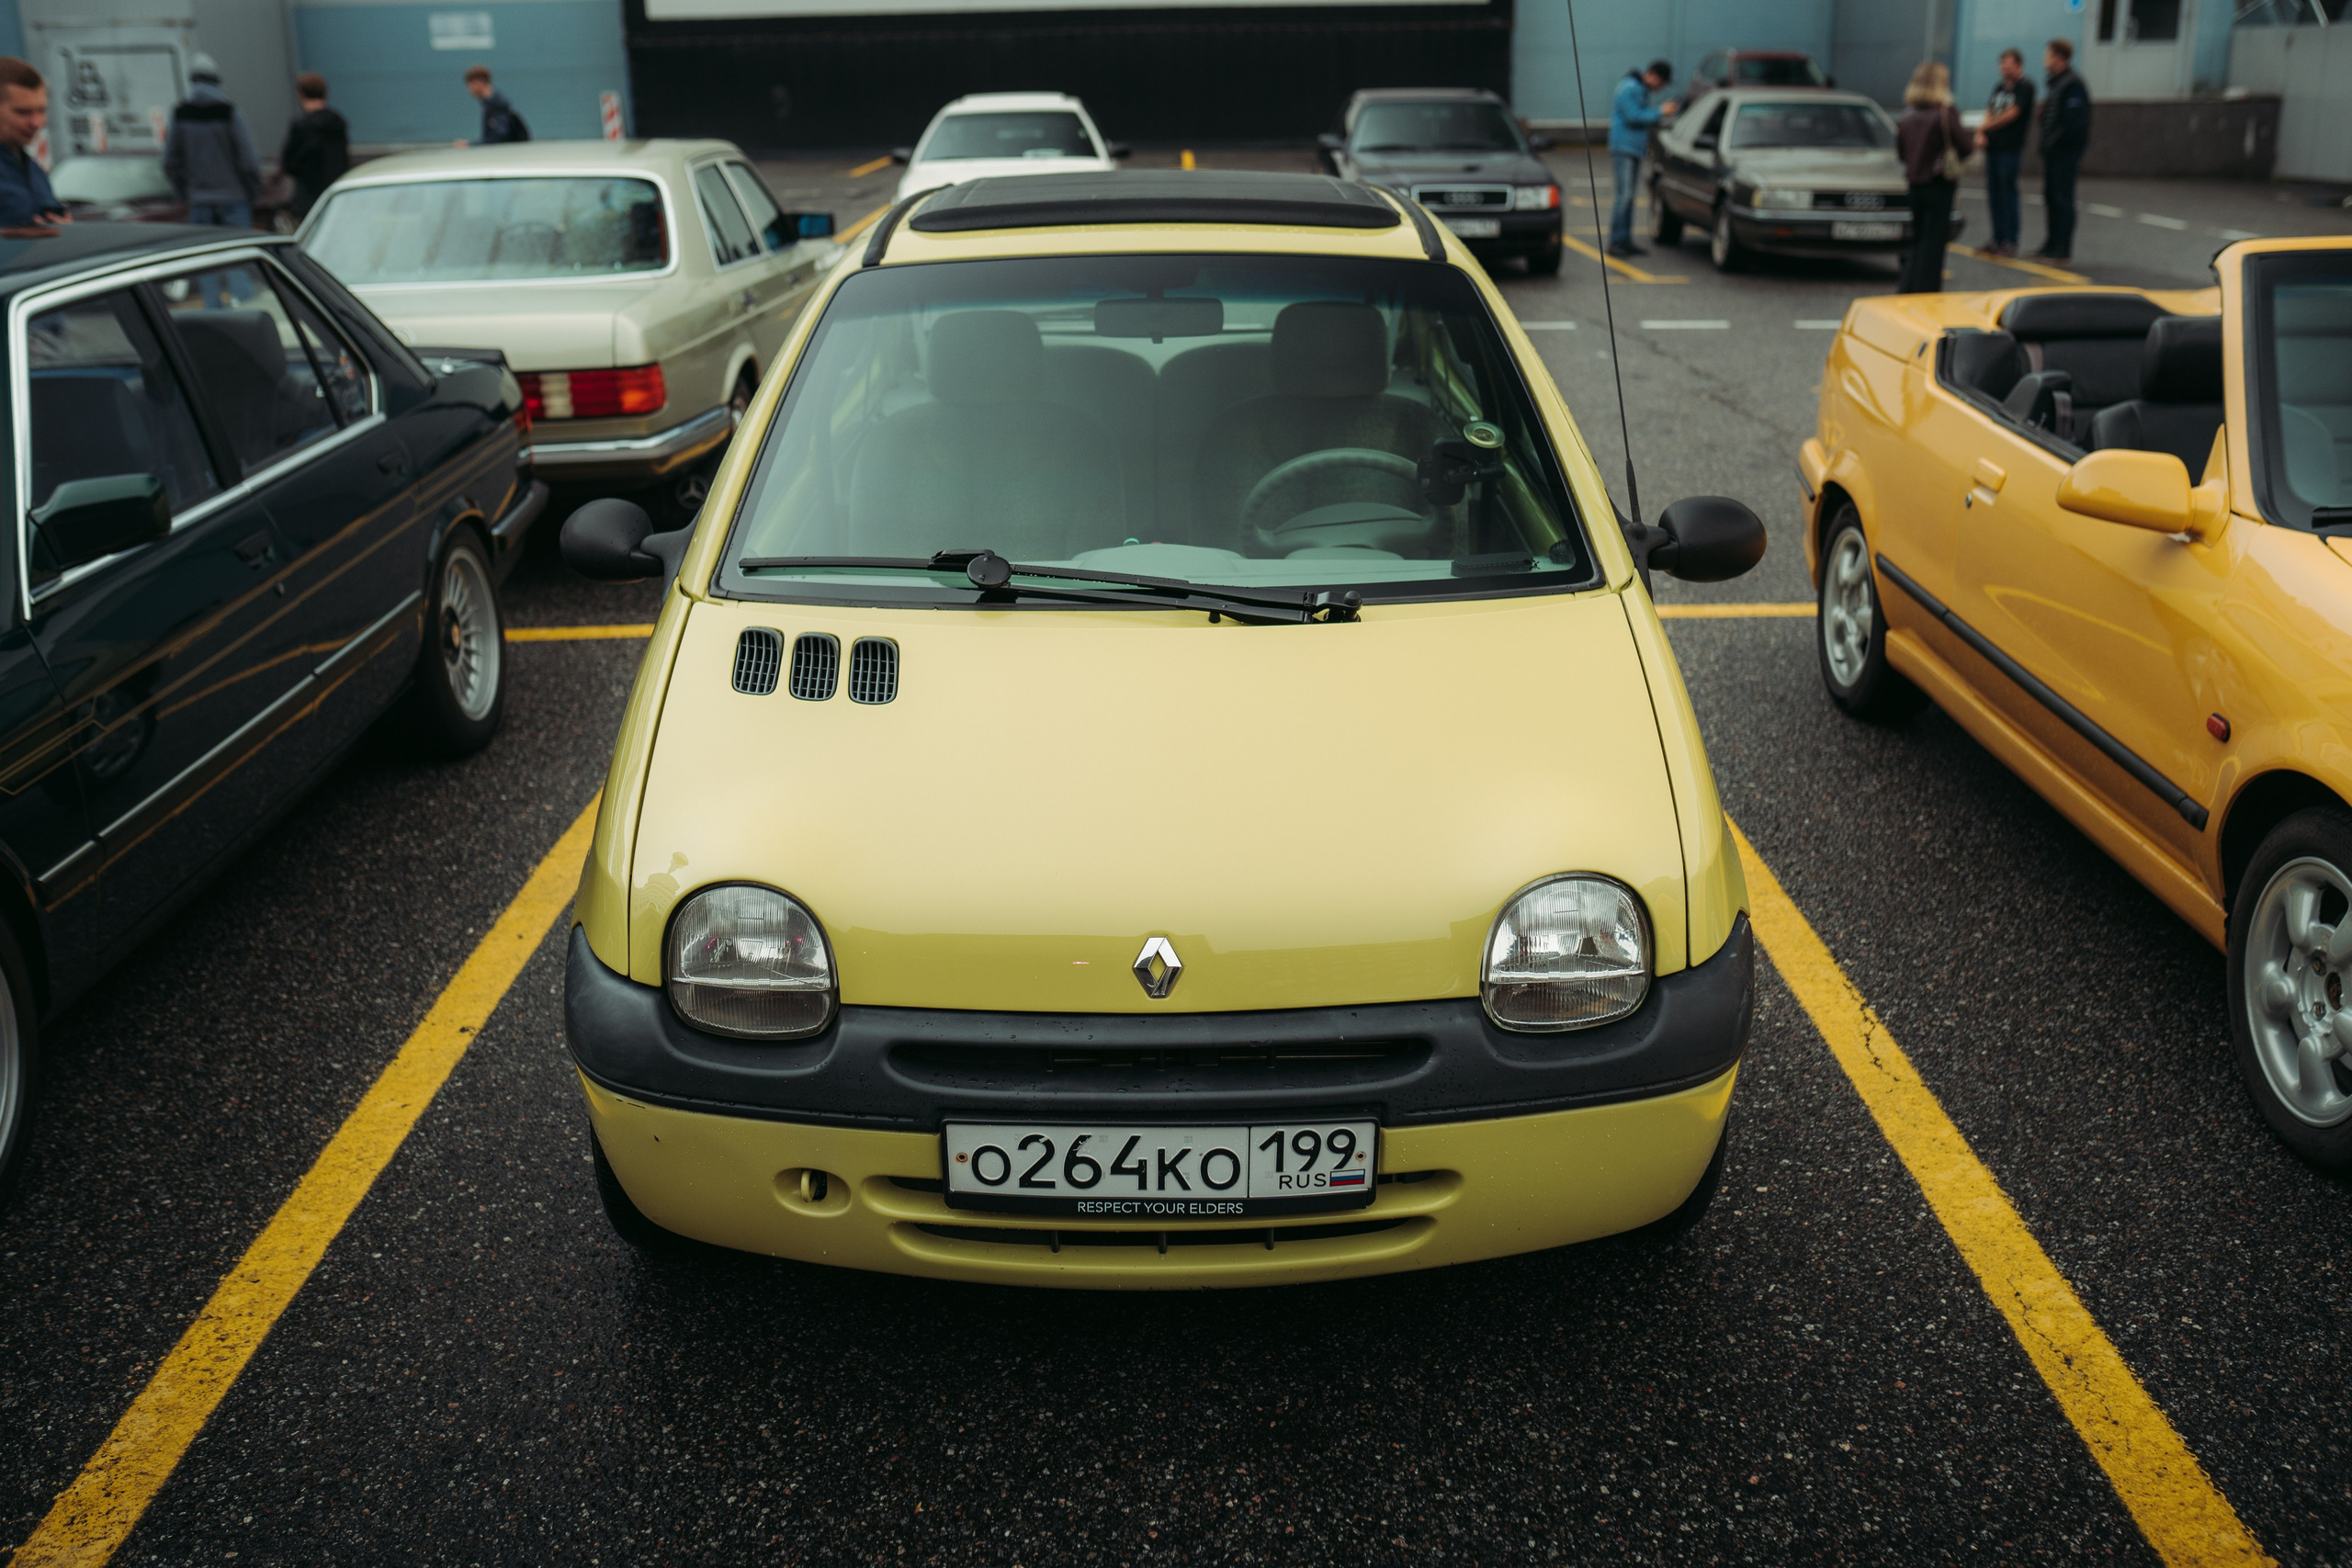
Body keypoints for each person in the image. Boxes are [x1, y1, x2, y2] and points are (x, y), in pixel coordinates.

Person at [1894, 61, 1973, 295]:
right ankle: (1926, 294)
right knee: (1934, 244)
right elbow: (1966, 147)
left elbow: (1901, 152)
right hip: (1939, 184)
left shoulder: (1907, 114)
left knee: (1918, 241)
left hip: (1915, 184)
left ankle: (1907, 290)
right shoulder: (1944, 112)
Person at [163, 52, 263, 230]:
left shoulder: (180, 114)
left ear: (192, 80)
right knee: (238, 253)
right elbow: (247, 159)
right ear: (216, 79)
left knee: (206, 254)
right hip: (234, 200)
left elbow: (170, 162)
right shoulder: (229, 111)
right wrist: (253, 191)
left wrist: (185, 192)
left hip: (199, 202)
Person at [1607, 60, 1676, 258]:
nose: (1660, 88)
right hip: (1624, 148)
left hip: (1634, 149)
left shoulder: (1638, 88)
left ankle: (1624, 239)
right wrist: (1660, 112)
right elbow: (1633, 116)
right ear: (1653, 75)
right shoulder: (1628, 88)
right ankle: (1616, 241)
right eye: (1661, 83)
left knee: (1629, 197)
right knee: (1624, 196)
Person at [2036, 38, 2092, 265]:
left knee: (2062, 198)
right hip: (2053, 151)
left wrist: (2057, 144)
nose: (2045, 60)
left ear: (2059, 57)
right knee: (2051, 196)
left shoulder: (2072, 84)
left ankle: (2062, 248)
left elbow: (2075, 123)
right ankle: (2051, 244)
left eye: (2048, 55)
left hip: (2064, 152)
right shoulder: (2057, 83)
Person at [1979, 48, 2034, 256]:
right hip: (1993, 149)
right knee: (1993, 193)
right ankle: (1997, 237)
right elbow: (1990, 111)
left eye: (2008, 64)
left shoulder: (2025, 87)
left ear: (2018, 65)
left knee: (2007, 193)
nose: (2004, 68)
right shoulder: (1999, 88)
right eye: (2002, 64)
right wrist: (1981, 132)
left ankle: (2011, 240)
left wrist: (1987, 127)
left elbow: (2012, 114)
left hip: (2010, 149)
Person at [0, 57, 65, 230]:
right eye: (23, 112)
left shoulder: (34, 171)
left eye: (42, 111)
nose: (36, 123)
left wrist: (63, 231)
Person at [279, 72, 349, 220]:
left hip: (309, 197)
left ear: (301, 94)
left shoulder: (301, 126)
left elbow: (288, 163)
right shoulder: (338, 123)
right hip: (337, 194)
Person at [461, 65, 529, 146]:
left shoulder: (496, 107)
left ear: (479, 82)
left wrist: (470, 144)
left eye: (470, 84)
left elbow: (498, 139)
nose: (469, 89)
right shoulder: (491, 104)